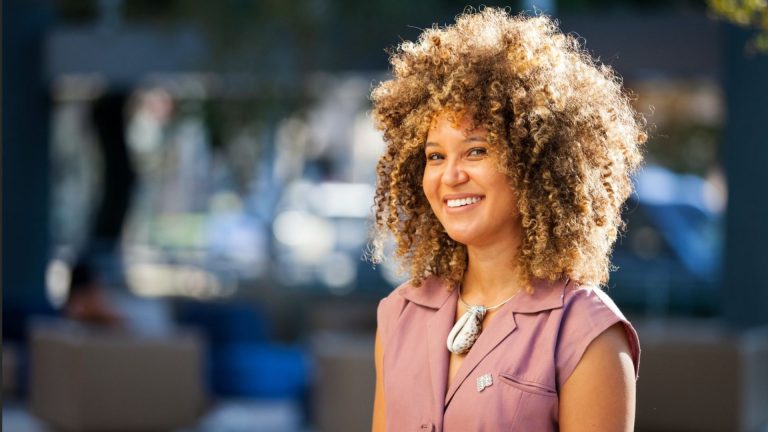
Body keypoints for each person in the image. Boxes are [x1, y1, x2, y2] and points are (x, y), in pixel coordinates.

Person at [369, 8, 646, 431]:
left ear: (536, 162)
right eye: (435, 156)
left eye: (476, 150)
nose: (451, 175)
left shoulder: (585, 331)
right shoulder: (399, 314)